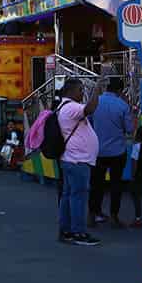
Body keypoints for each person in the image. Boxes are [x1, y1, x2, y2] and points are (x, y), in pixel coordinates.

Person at [48, 77, 101, 246]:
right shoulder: (71, 107)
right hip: (78, 160)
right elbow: (90, 108)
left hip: (71, 159)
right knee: (78, 197)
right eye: (80, 90)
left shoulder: (63, 107)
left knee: (68, 195)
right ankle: (78, 232)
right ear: (71, 91)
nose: (82, 93)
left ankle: (66, 230)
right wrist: (97, 90)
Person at [88, 77, 136, 228]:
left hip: (97, 151)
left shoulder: (96, 102)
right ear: (120, 90)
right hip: (117, 151)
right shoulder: (122, 106)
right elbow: (130, 129)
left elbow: (88, 123)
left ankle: (92, 214)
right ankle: (114, 215)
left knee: (96, 184)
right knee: (116, 185)